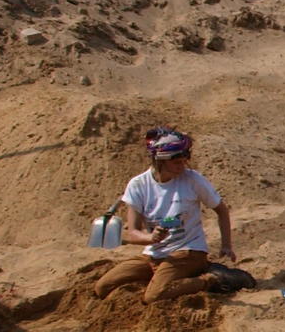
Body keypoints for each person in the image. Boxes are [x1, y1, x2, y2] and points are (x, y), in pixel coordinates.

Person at [94, 128, 248, 302]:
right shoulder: (138, 185)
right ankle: (164, 277)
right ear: (160, 161)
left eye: (184, 161)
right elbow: (133, 232)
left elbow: (221, 210)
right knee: (103, 287)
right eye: (176, 163)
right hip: (153, 253)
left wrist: (226, 245)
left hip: (188, 251)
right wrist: (151, 238)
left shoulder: (193, 180)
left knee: (154, 296)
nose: (182, 166)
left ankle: (212, 280)